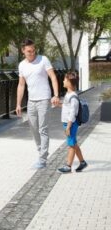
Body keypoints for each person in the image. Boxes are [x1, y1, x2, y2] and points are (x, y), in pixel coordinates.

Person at [14, 39, 60, 169]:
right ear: (23, 51)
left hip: (44, 99)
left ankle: (42, 159)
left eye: (34, 50)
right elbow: (21, 85)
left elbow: (53, 77)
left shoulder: (43, 60)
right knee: (34, 128)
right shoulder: (22, 65)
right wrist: (18, 104)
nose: (32, 53)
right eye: (29, 51)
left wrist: (56, 95)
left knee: (43, 129)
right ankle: (41, 152)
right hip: (31, 101)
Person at [57, 71, 87, 174]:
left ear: (69, 82)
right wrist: (58, 104)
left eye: (65, 80)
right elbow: (67, 107)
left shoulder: (73, 97)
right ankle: (82, 162)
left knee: (71, 144)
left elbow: (73, 113)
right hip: (67, 123)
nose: (63, 81)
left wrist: (68, 127)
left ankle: (68, 166)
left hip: (71, 124)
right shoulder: (68, 94)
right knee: (73, 143)